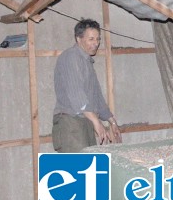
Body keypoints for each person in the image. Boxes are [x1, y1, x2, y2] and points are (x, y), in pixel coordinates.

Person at [52, 18, 121, 153]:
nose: (96, 43)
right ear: (79, 39)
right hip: (70, 123)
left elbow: (96, 97)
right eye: (91, 39)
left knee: (90, 169)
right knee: (77, 169)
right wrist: (96, 122)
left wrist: (112, 122)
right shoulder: (70, 57)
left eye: (98, 39)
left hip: (85, 121)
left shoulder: (87, 62)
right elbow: (77, 95)